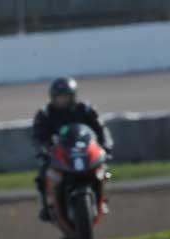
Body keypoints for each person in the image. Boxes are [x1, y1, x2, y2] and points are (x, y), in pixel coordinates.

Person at [32, 77, 114, 221]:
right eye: (59, 97)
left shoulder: (86, 109)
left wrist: (106, 146)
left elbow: (101, 129)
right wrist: (42, 152)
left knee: (102, 170)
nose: (62, 100)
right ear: (53, 97)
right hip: (59, 154)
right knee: (42, 175)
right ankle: (46, 207)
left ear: (73, 96)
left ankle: (102, 199)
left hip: (84, 151)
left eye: (66, 96)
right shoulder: (45, 114)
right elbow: (38, 137)